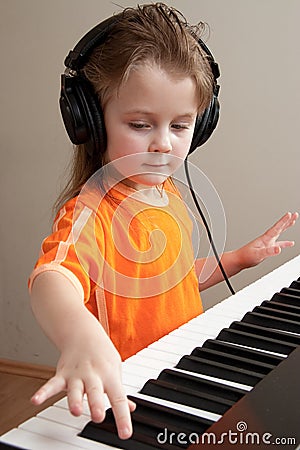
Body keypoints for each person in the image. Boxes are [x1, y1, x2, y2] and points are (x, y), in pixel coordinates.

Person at [29, 2, 298, 440]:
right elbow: (53, 278)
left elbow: (168, 282)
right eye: (139, 123)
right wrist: (79, 335)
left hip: (178, 367)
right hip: (129, 391)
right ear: (90, 122)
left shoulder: (166, 195)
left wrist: (238, 259)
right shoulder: (92, 211)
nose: (162, 144)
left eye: (180, 125)